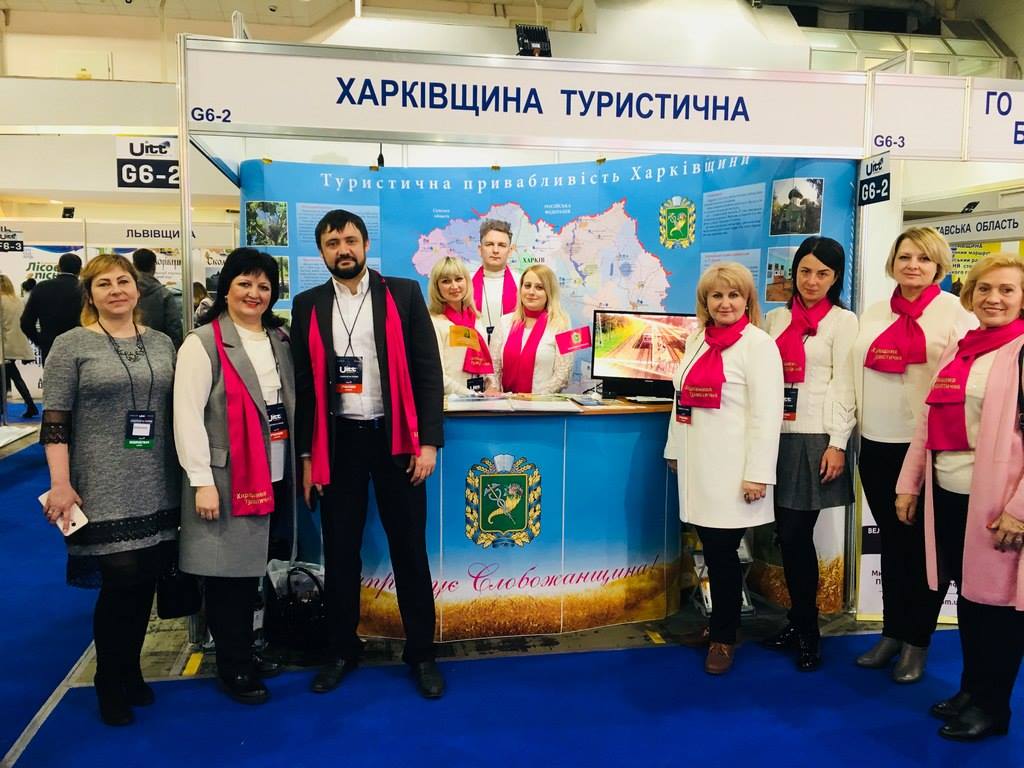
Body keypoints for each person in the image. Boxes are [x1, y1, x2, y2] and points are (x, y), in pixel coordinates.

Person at [290, 209, 445, 698]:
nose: (343, 250)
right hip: (339, 443)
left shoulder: (402, 294)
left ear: (365, 244)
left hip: (396, 440)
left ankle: (421, 653)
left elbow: (428, 371)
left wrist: (428, 442)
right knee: (340, 554)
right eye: (332, 243)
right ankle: (341, 650)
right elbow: (305, 389)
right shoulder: (308, 305)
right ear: (321, 251)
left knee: (410, 551)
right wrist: (308, 459)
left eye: (350, 240)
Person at [39, 253, 179, 726]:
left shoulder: (161, 342)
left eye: (123, 281)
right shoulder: (71, 345)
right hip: (100, 483)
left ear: (138, 289)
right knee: (120, 584)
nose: (116, 290)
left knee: (145, 584)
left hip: (157, 481)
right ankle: (108, 679)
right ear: (90, 294)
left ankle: (132, 670)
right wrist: (60, 484)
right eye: (104, 284)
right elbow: (55, 422)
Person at [895, 253, 1024, 741]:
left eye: (1007, 290)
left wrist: (1019, 511)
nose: (994, 298)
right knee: (969, 601)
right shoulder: (963, 347)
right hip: (948, 493)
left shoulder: (1020, 352)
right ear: (970, 294)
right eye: (984, 288)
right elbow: (927, 422)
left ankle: (993, 707)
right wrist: (909, 484)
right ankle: (972, 690)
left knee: (997, 609)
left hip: (997, 505)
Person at [851, 226, 976, 683]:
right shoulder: (875, 311)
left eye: (924, 259)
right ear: (893, 262)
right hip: (875, 444)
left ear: (938, 266)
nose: (913, 266)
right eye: (905, 257)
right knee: (891, 543)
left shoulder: (956, 314)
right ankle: (892, 632)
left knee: (923, 550)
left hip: (923, 448)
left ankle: (917, 642)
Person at [173, 248, 295, 706]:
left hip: (275, 470)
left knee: (256, 569)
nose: (254, 293)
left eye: (263, 286)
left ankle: (247, 648)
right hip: (226, 479)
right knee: (229, 578)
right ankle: (234, 666)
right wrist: (200, 480)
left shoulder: (279, 338)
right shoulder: (202, 343)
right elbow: (187, 416)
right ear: (226, 288)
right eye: (245, 283)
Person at [664, 262, 784, 675]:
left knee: (722, 554)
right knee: (712, 551)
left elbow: (767, 416)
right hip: (698, 465)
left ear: (748, 300)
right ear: (705, 301)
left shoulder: (759, 346)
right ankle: (718, 625)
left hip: (734, 471)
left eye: (734, 295)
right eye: (717, 295)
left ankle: (724, 637)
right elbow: (681, 399)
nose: (725, 303)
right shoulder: (697, 338)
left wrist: (758, 473)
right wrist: (674, 449)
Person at [760, 237, 858, 671]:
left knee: (796, 535)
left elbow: (845, 384)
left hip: (815, 438)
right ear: (793, 272)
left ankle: (808, 630)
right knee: (785, 536)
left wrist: (838, 443)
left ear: (835, 278)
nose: (812, 281)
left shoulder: (843, 321)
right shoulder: (775, 319)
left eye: (823, 273)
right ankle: (797, 621)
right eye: (805, 271)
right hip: (773, 436)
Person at [489, 265, 572, 394]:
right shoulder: (504, 321)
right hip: (505, 402)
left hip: (541, 403)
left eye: (539, 287)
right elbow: (493, 365)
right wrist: (494, 390)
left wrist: (535, 398)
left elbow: (564, 374)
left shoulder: (563, 325)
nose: (531, 292)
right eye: (527, 286)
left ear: (549, 292)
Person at [427, 256, 494, 395]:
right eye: (446, 281)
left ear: (467, 281)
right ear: (436, 287)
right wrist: (471, 395)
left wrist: (490, 386)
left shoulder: (476, 319)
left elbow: (486, 364)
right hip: (453, 403)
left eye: (458, 279)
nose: (454, 286)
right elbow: (437, 375)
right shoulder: (434, 323)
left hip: (481, 401)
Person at [20, 252, 83, 363]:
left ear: (58, 268)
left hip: (50, 347)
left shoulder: (42, 287)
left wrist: (40, 342)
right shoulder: (85, 289)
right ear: (80, 270)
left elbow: (26, 322)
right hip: (81, 347)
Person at [472, 219, 520, 344]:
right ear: (480, 249)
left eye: (502, 245)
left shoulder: (522, 283)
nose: (495, 250)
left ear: (510, 251)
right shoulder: (465, 283)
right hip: (473, 351)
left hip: (510, 351)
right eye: (489, 244)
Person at [0, 274, 39, 417]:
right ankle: (30, 406)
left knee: (12, 376)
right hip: (16, 344)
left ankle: (30, 406)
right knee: (11, 375)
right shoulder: (17, 300)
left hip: (4, 345)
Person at [132, 248, 183, 348]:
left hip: (127, 348)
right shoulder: (164, 294)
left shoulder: (126, 292)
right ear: (154, 266)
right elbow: (174, 329)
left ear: (133, 265)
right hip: (158, 349)